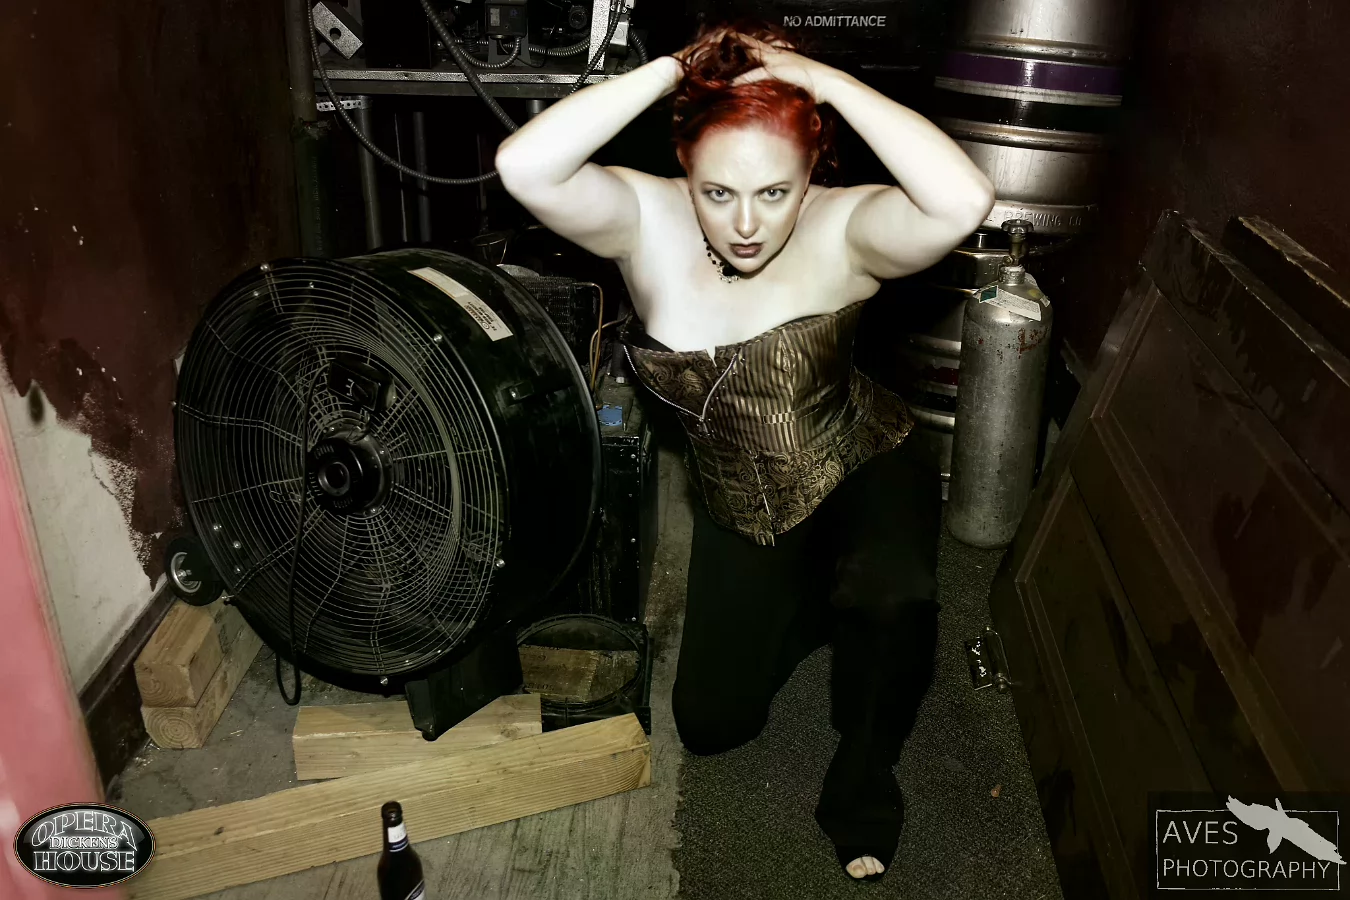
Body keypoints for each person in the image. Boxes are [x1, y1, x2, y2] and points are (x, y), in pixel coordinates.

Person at [495, 20, 994, 882]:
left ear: (811, 175)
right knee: (713, 725)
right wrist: (671, 70)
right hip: (744, 499)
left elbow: (962, 200)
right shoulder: (642, 219)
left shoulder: (846, 228)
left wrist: (823, 81)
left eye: (774, 191)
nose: (748, 223)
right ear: (684, 166)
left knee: (892, 596)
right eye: (719, 192)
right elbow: (523, 166)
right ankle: (816, 605)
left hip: (861, 460)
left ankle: (864, 784)